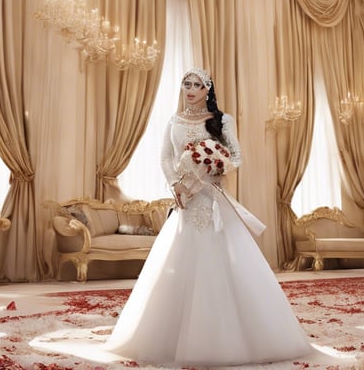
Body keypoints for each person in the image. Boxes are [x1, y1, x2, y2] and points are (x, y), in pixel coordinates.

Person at [104, 68, 315, 367]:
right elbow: (165, 157)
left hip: (212, 200)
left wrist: (215, 165)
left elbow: (236, 157)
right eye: (186, 84)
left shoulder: (222, 120)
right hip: (186, 203)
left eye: (197, 85)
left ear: (207, 90)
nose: (190, 89)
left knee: (224, 262)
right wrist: (176, 184)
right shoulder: (174, 120)